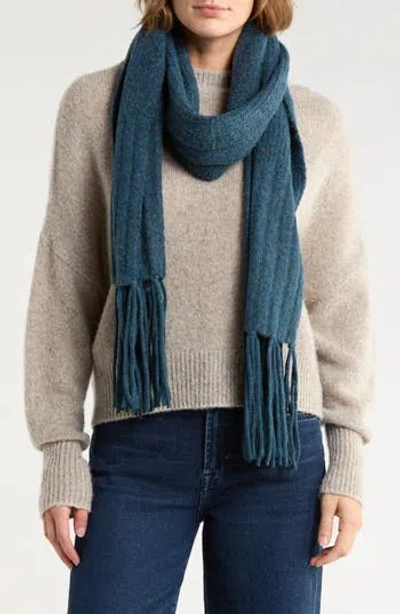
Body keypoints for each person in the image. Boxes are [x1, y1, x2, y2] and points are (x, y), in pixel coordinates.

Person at [23, 0, 375, 612]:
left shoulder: (312, 120)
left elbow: (338, 294)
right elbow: (65, 284)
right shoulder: (96, 105)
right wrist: (59, 451)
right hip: (137, 443)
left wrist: (347, 454)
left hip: (276, 446)